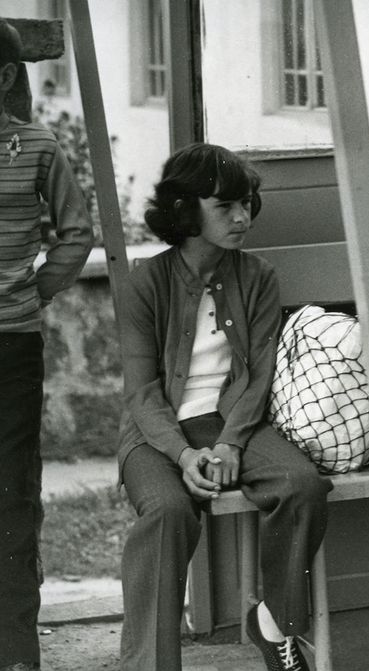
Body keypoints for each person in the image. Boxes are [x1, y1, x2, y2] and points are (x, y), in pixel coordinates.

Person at [117, 143, 331, 671]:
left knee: (301, 485)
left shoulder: (257, 277)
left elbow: (258, 374)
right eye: (225, 206)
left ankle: (274, 623)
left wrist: (230, 441)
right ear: (186, 212)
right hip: (155, 431)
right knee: (167, 512)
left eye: (247, 204)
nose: (242, 217)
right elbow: (142, 392)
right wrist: (186, 456)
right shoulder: (146, 282)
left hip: (236, 419)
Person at [0, 19, 93, 671]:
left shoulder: (36, 145)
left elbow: (76, 231)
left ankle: (16, 654)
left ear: (4, 77)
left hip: (11, 347)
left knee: (11, 498)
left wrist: (35, 292)